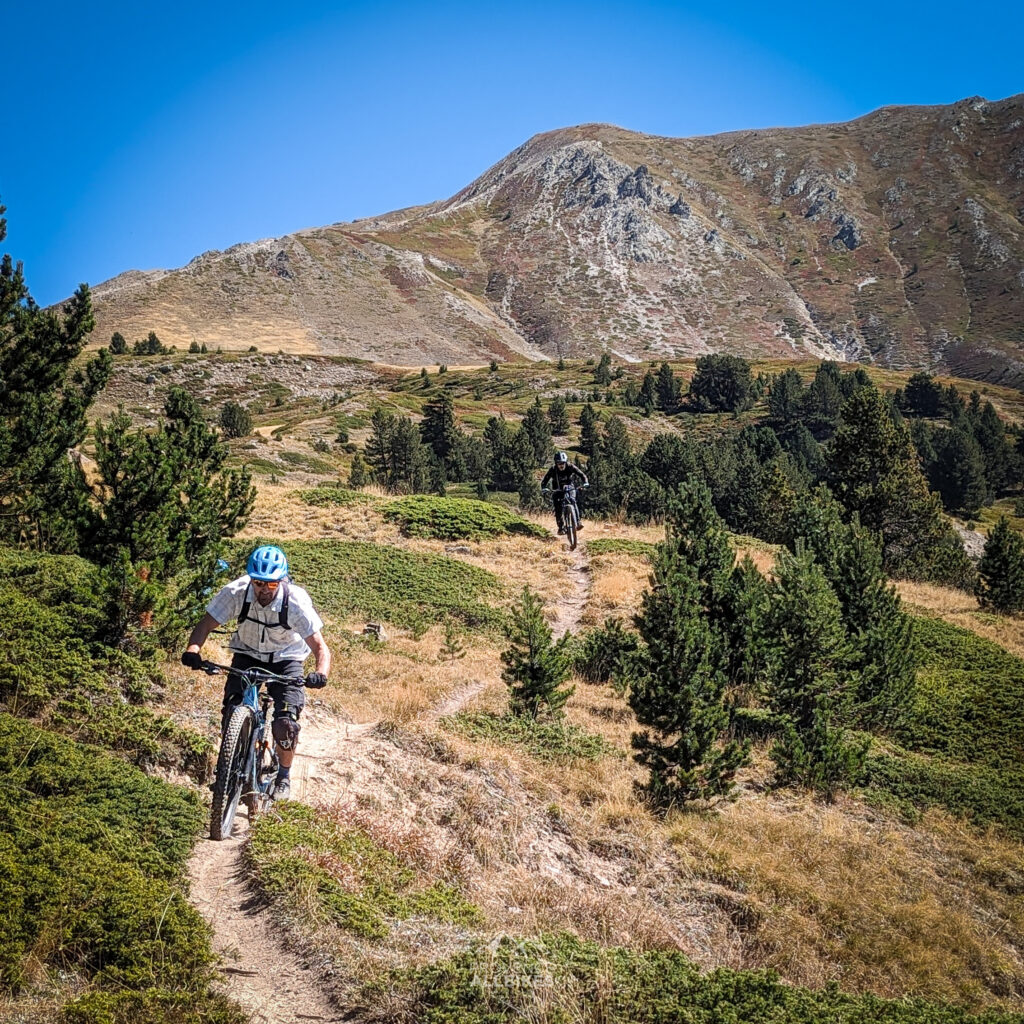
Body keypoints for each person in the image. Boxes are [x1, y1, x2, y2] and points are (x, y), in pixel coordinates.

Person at [181, 544, 331, 801]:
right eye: (259, 582)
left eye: (271, 584)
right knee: (232, 709)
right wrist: (193, 650)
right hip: (247, 653)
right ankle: (228, 768)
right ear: (251, 579)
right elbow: (206, 623)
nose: (264, 589)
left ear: (282, 580)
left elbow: (320, 647)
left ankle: (283, 776)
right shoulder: (236, 592)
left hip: (287, 658)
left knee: (285, 724)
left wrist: (320, 673)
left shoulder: (295, 601)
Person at [541, 451, 589, 535]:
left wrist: (585, 482)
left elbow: (582, 474)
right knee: (558, 508)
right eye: (559, 463)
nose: (561, 465)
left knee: (573, 501)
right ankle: (561, 528)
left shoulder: (570, 466)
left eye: (563, 463)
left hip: (569, 487)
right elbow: (544, 481)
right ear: (556, 463)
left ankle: (578, 522)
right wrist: (544, 488)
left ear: (565, 462)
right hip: (557, 489)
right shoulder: (552, 469)